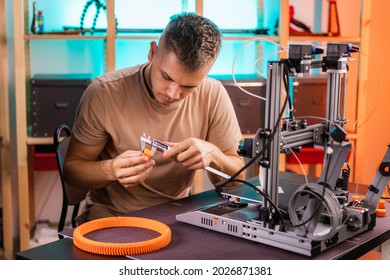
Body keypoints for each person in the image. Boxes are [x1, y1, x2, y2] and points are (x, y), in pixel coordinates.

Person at [63, 12, 245, 224]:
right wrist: (110, 169)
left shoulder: (213, 94)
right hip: (113, 215)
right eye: (166, 77)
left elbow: (235, 183)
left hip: (176, 217)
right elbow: (72, 171)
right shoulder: (104, 92)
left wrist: (213, 155)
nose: (172, 94)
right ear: (152, 52)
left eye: (188, 87)